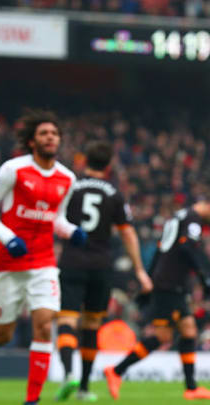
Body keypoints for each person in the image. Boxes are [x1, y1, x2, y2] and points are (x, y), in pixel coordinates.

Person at [0, 110, 87, 405]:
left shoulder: (67, 178)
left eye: (54, 133)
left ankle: (32, 400)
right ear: (31, 141)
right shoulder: (13, 170)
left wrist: (71, 231)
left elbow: (56, 219)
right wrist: (8, 237)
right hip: (9, 262)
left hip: (44, 263)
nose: (50, 137)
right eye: (44, 134)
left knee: (43, 323)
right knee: (1, 335)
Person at [54, 141, 153, 402]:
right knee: (92, 325)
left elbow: (54, 220)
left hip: (72, 262)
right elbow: (128, 233)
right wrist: (140, 270)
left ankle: (67, 374)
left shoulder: (71, 188)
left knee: (66, 320)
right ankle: (85, 388)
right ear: (109, 166)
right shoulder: (114, 194)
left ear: (85, 161)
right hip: (101, 266)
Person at [103, 200, 210, 401]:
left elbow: (161, 251)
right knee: (166, 336)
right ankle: (116, 371)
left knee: (186, 331)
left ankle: (191, 388)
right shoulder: (193, 219)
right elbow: (187, 248)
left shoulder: (177, 217)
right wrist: (203, 276)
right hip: (170, 285)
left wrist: (148, 282)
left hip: (166, 283)